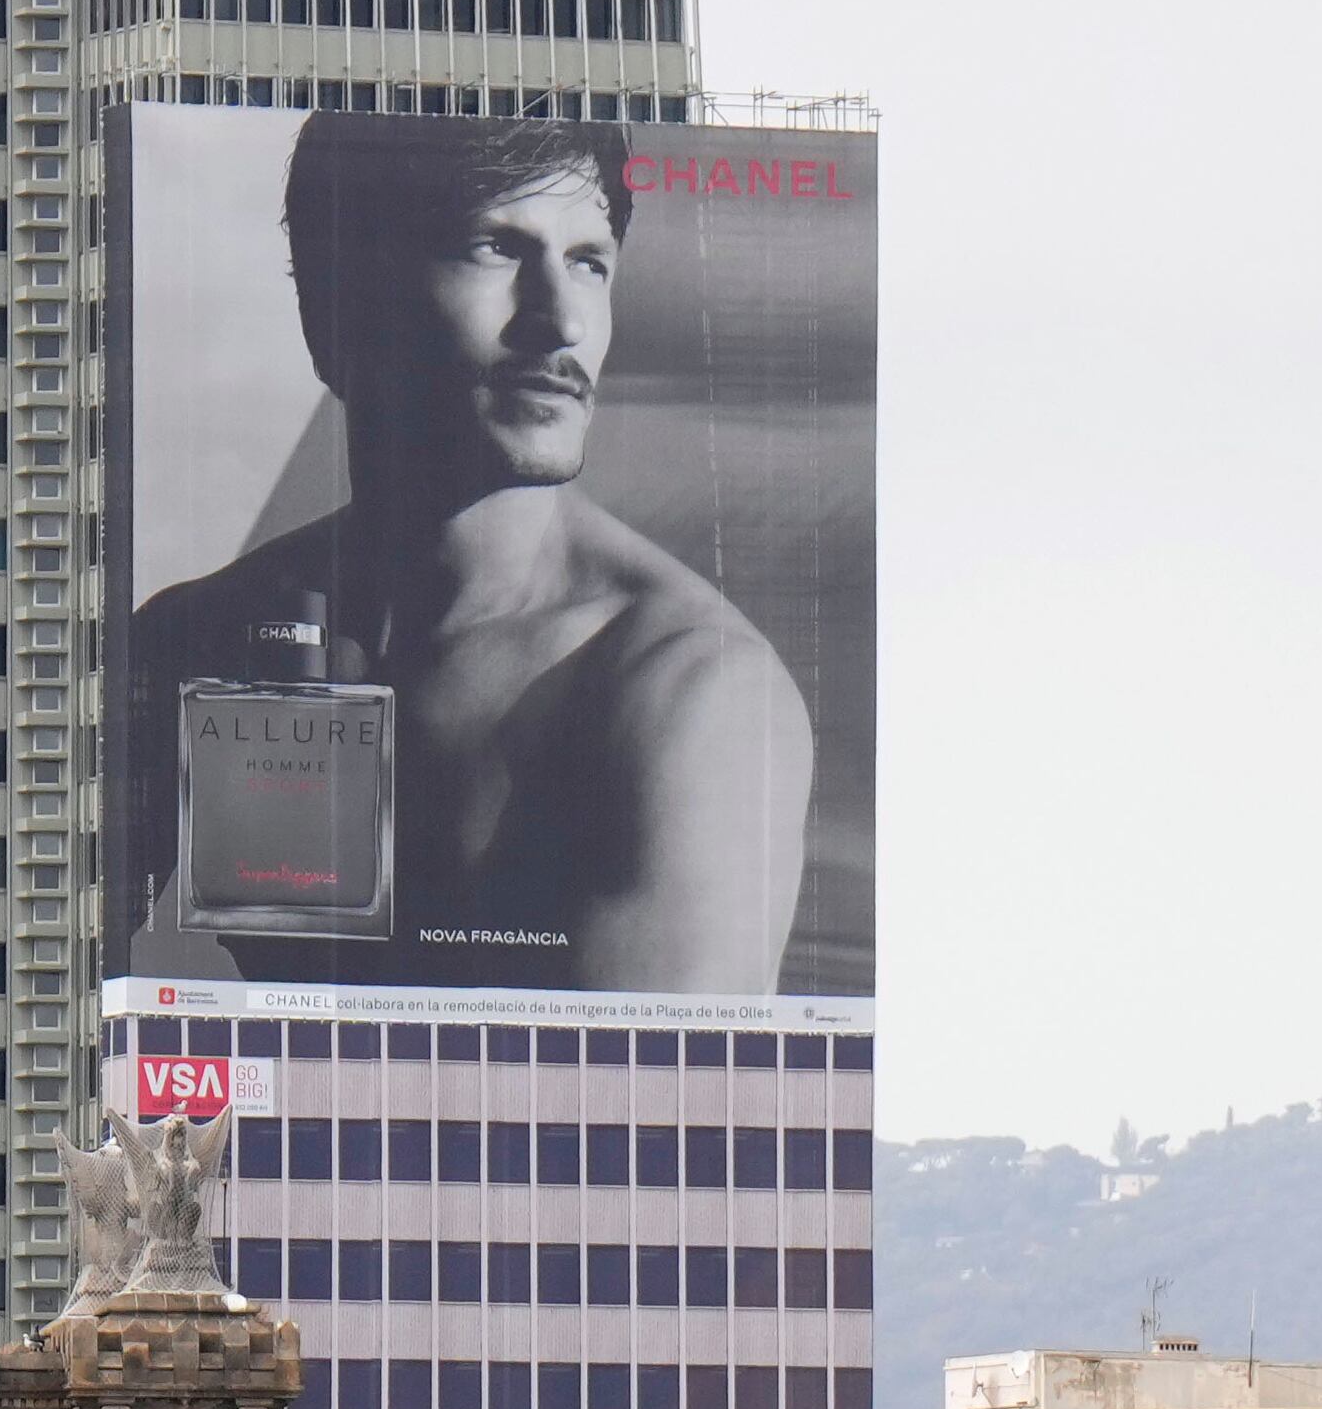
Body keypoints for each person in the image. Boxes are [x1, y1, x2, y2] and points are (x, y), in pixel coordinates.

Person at [121, 114, 816, 992]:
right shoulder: (200, 635)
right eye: (495, 247)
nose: (560, 323)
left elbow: (652, 1114)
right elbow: (44, 997)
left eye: (589, 262)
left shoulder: (693, 698)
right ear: (337, 305)